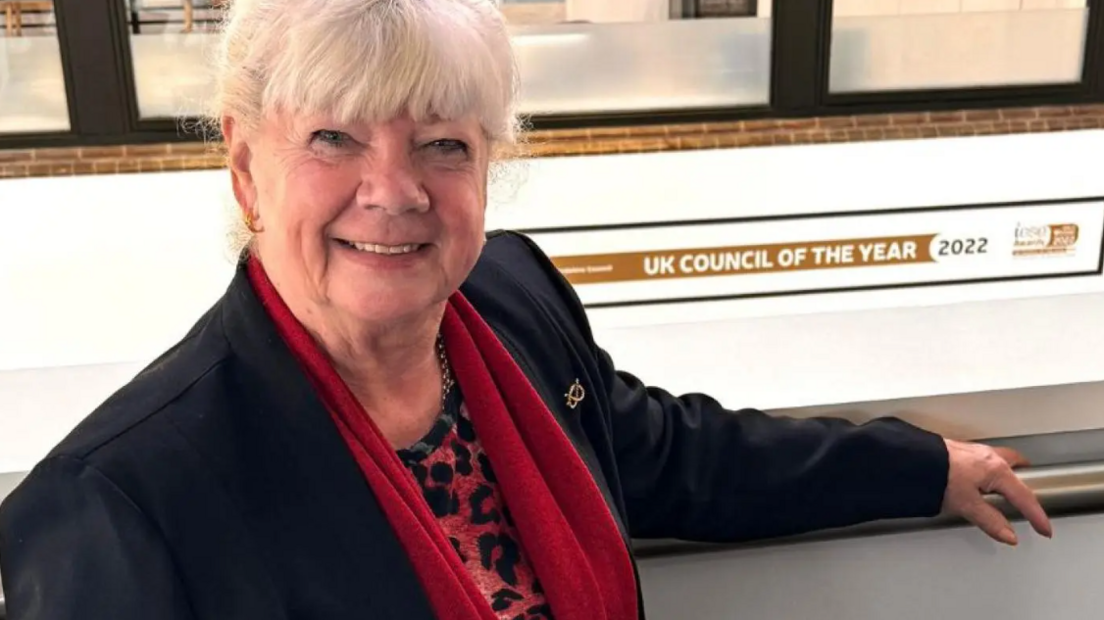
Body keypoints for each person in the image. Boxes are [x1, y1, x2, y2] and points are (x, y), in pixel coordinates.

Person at [0, 1, 1052, 618]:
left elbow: (671, 455)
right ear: (245, 168)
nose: (396, 189)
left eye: (443, 142)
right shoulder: (117, 503)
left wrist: (918, 466)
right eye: (335, 139)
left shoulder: (508, 300)